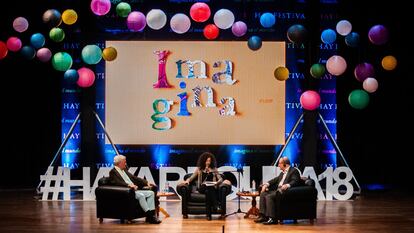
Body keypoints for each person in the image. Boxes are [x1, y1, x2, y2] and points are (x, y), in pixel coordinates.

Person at [109, 154, 161, 224]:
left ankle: (149, 217)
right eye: (124, 162)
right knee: (141, 195)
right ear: (120, 162)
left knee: (151, 193)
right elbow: (116, 182)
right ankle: (150, 216)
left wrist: (146, 182)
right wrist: (129, 185)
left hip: (134, 190)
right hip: (127, 192)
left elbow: (134, 178)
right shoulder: (113, 172)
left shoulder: (124, 170)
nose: (125, 163)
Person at [182, 152, 231, 220]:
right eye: (207, 160)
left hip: (211, 187)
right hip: (202, 187)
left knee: (208, 191)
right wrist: (187, 181)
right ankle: (216, 206)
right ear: (203, 161)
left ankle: (208, 215)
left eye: (209, 161)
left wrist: (217, 182)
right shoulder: (199, 169)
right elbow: (191, 177)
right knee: (208, 188)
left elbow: (220, 178)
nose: (208, 162)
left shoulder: (214, 169)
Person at [255, 156, 300, 225]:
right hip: (278, 191)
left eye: (280, 163)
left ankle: (272, 219)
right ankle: (263, 216)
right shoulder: (282, 173)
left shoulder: (294, 171)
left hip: (285, 192)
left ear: (285, 164)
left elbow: (295, 181)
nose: (278, 165)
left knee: (269, 196)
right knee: (263, 194)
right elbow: (275, 180)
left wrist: (287, 185)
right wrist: (266, 184)